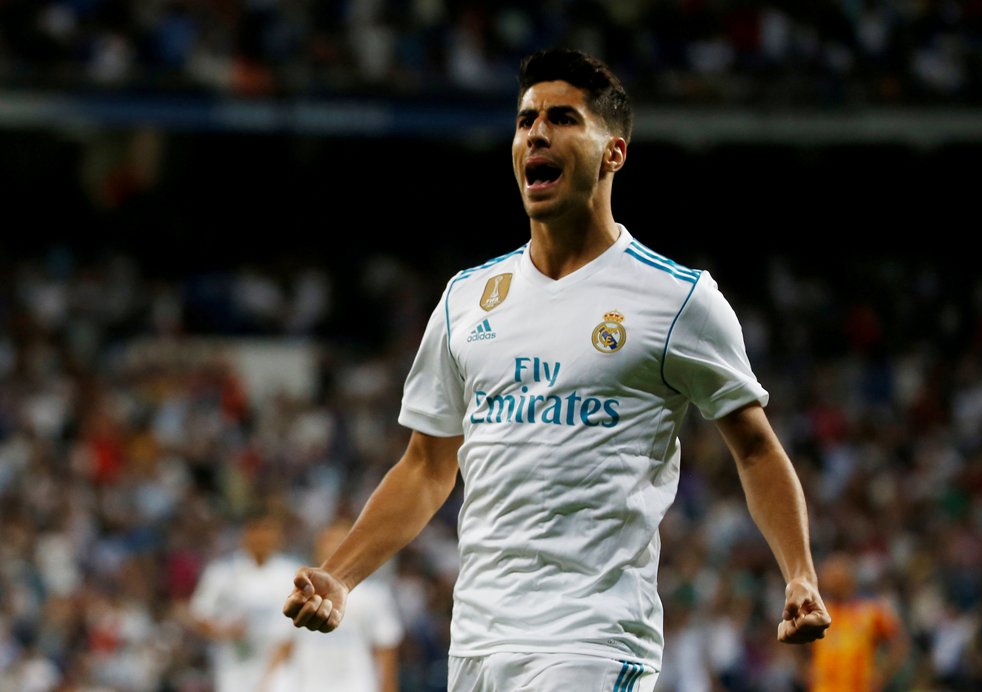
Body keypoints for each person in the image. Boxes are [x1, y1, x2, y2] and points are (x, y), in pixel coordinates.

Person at [283, 46, 831, 691]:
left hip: (594, 639)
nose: (537, 132)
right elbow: (427, 466)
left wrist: (798, 571)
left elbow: (756, 450)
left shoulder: (678, 299)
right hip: (478, 644)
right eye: (525, 120)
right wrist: (340, 576)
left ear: (613, 153)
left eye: (564, 118)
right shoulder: (467, 298)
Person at [278, 517, 404, 692]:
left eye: (340, 541)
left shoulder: (374, 595)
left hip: (357, 686)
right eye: (328, 541)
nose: (332, 547)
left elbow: (386, 649)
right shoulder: (299, 592)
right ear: (317, 546)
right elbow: (285, 646)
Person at [189, 507, 302, 692]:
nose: (262, 537)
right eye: (256, 530)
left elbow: (298, 629)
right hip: (234, 667)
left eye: (268, 530)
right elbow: (199, 614)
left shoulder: (292, 573)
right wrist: (223, 630)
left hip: (281, 668)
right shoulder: (222, 572)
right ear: (245, 533)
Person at [805, 552, 909, 691]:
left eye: (832, 575)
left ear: (847, 579)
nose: (825, 580)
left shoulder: (871, 610)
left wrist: (882, 675)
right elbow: (793, 641)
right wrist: (805, 669)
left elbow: (899, 643)